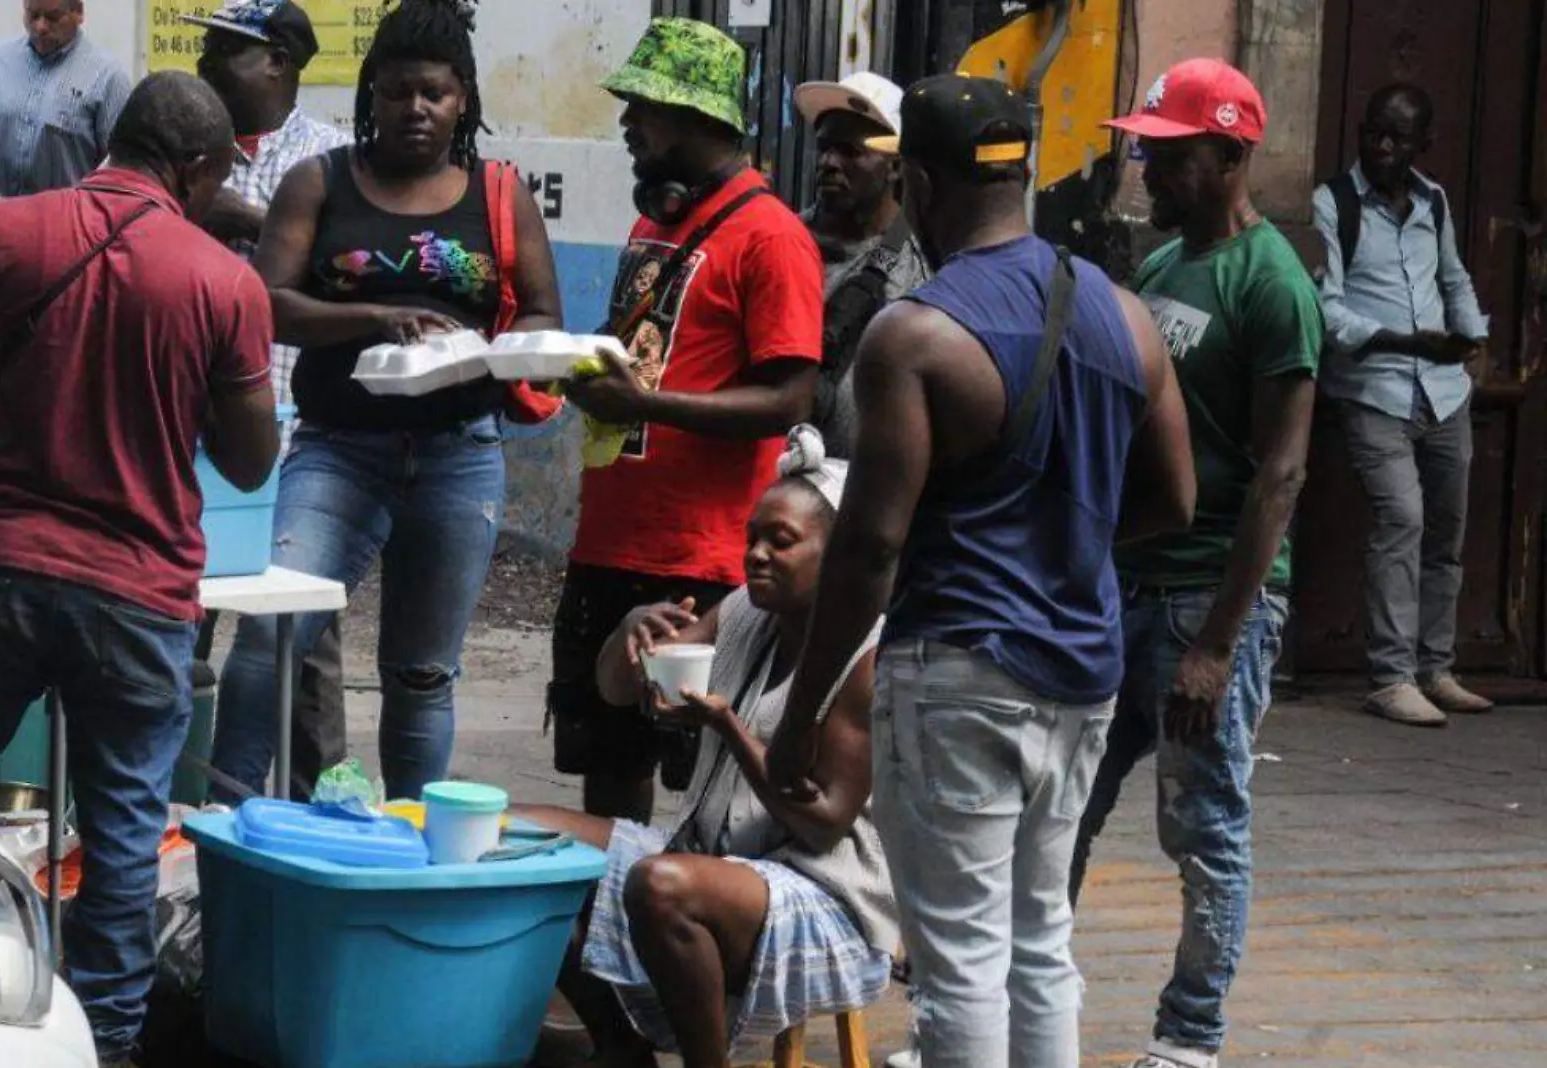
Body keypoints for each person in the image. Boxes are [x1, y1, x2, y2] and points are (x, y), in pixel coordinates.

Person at [767, 73, 1197, 1068]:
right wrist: (1062, 545)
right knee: (1037, 943)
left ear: (915, 180)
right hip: (1083, 672)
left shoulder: (914, 334)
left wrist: (800, 713)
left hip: (959, 673)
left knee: (958, 960)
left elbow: (870, 549)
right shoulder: (1125, 315)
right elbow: (1173, 500)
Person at [0, 72, 279, 1068]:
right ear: (195, 171)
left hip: (1, 572)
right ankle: (105, 1047)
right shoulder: (220, 281)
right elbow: (249, 462)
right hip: (138, 597)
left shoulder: (3, 234)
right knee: (120, 846)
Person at [210, 0, 562, 802]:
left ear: (462, 98)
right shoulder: (321, 182)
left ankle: (409, 840)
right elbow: (265, 301)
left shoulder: (500, 194)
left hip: (458, 456)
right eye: (398, 91)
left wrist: (488, 353)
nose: (415, 109)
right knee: (269, 634)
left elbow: (542, 310)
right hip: (338, 448)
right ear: (374, 94)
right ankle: (218, 823)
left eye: (433, 93)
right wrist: (375, 318)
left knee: (422, 671)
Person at [1071, 60, 1323, 1068]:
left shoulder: (1272, 285)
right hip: (1124, 586)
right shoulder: (1165, 265)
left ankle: (1189, 1036)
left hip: (1205, 599)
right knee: (1066, 804)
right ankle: (1014, 986)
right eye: (1143, 148)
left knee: (1203, 825)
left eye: (1165, 154)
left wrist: (1218, 641)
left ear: (1228, 155)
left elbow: (1280, 474)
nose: (1145, 167)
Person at [516, 427, 897, 1068]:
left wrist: (727, 729)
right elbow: (617, 690)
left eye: (781, 542)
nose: (755, 556)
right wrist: (628, 636)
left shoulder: (868, 657)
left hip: (824, 897)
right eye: (752, 538)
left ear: (838, 556)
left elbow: (823, 821)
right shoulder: (747, 609)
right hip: (714, 854)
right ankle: (620, 1047)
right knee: (519, 839)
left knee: (660, 886)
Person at [552, 16, 823, 823]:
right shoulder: (655, 220)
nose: (628, 124)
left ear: (701, 118)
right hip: (609, 540)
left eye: (646, 107)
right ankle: (606, 936)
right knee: (607, 767)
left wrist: (646, 404)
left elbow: (788, 398)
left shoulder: (772, 237)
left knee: (702, 781)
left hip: (703, 560)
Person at [190, 0, 353, 798]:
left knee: (297, 636)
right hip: (195, 429)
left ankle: (314, 807)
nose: (206, 65)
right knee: (180, 615)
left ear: (280, 64)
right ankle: (181, 797)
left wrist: (253, 221)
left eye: (226, 51)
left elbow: (344, 275)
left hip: (301, 431)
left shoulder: (330, 158)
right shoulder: (189, 149)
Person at [1314, 81, 1493, 727]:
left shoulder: (1433, 201)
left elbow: (1453, 277)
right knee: (1403, 519)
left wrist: (1471, 339)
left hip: (1444, 392)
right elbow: (1327, 308)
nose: (1381, 147)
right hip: (1375, 389)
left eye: (1397, 137)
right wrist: (1400, 339)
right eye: (1373, 133)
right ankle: (1391, 677)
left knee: (1446, 532)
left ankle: (1435, 669)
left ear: (1424, 144)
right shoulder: (1333, 204)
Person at [792, 71, 927, 458]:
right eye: (824, 148)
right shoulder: (779, 239)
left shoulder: (922, 263)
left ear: (896, 167)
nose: (829, 163)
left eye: (851, 151)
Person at [0, 0, 133, 196]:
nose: (40, 27)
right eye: (32, 15)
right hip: (3, 216)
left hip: (69, 222)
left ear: (78, 13)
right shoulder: (0, 61)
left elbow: (119, 170)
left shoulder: (108, 78)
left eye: (52, 17)